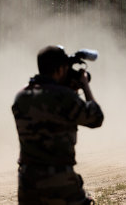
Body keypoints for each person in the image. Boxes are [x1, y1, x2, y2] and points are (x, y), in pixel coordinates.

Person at [12, 45, 104, 204]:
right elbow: (96, 118)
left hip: (27, 183)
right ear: (60, 70)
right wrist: (84, 85)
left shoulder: (21, 97)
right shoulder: (64, 98)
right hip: (59, 182)